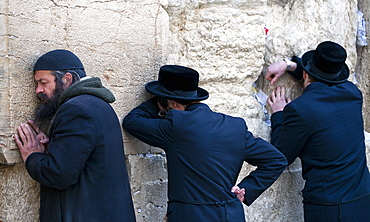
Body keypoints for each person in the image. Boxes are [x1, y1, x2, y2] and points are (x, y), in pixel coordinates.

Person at [122, 65, 287, 222]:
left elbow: (132, 121)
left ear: (172, 103)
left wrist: (157, 100)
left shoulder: (176, 126)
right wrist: (246, 189)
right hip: (232, 215)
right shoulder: (235, 126)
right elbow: (276, 160)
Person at [14, 49, 136, 222]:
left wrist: (33, 155)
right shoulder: (97, 104)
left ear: (67, 79)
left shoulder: (76, 110)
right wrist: (53, 147)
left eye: (43, 82)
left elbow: (59, 174)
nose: (38, 90)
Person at [266, 41, 370, 222]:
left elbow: (280, 156)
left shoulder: (301, 109)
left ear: (306, 73)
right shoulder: (353, 93)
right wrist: (289, 65)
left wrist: (279, 114)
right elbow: (320, 82)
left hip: (329, 209)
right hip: (362, 199)